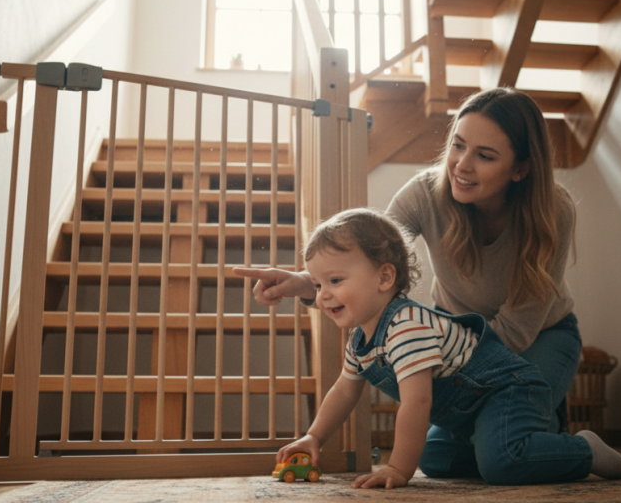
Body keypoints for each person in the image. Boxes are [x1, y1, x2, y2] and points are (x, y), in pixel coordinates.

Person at [235, 87, 582, 479]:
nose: (461, 166)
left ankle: (565, 440)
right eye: (458, 145)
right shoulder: (425, 192)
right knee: (436, 459)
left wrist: (456, 388)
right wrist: (303, 283)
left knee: (499, 455)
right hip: (454, 337)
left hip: (538, 340)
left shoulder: (554, 210)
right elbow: (370, 263)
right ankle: (530, 432)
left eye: (484, 156)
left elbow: (518, 330)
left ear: (520, 168)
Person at [244, 208, 621, 489]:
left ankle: (581, 450)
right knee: (436, 461)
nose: (322, 295)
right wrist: (313, 437)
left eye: (334, 280)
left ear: (384, 276)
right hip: (466, 415)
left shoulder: (406, 325)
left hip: (506, 389)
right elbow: (344, 391)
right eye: (316, 285)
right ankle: (502, 445)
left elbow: (417, 403)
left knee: (503, 465)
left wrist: (398, 467)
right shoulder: (361, 341)